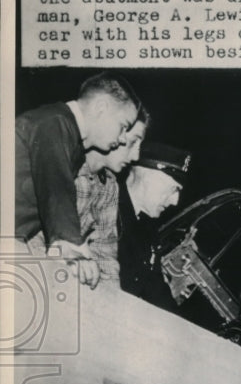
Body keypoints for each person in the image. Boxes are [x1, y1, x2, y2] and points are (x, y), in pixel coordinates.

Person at [15, 73, 140, 287]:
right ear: (102, 107)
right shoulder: (54, 122)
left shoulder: (65, 132)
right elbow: (56, 189)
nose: (121, 138)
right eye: (123, 126)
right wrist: (72, 247)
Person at [74, 108, 150, 288]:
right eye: (133, 143)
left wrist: (114, 301)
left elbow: (105, 254)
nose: (136, 156)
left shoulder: (109, 186)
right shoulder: (66, 165)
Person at [118, 142, 192, 311]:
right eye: (174, 189)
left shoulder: (147, 229)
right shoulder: (106, 206)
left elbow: (156, 290)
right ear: (148, 176)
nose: (175, 201)